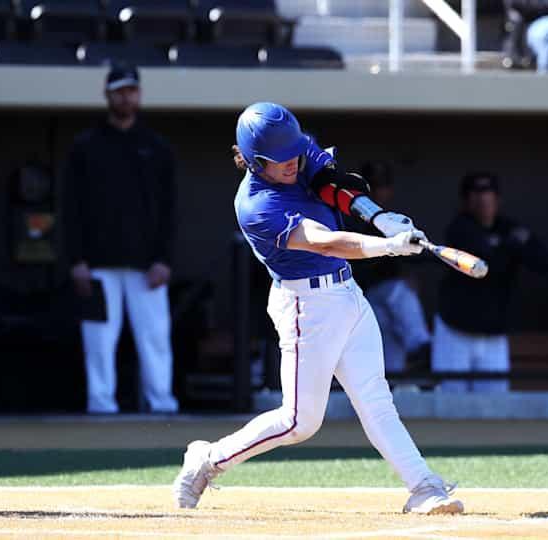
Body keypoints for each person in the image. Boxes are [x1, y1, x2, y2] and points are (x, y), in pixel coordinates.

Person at [171, 103, 464, 515]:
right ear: (256, 162)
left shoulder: (296, 151)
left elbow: (332, 184)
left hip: (347, 294)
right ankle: (207, 459)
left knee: (376, 399)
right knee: (298, 422)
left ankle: (424, 486)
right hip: (306, 307)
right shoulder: (257, 207)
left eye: (295, 152)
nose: (294, 161)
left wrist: (379, 216)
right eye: (282, 159)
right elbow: (325, 241)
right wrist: (388, 245)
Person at [62, 63, 179, 414]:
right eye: (118, 90)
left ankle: (162, 405)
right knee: (98, 340)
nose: (125, 97)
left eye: (131, 90)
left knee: (155, 337)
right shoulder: (84, 146)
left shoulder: (157, 147)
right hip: (96, 264)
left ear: (139, 94)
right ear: (107, 94)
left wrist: (164, 259)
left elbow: (171, 209)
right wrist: (76, 261)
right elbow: (70, 208)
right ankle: (101, 407)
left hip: (147, 264)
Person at [432, 173, 548, 392]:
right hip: (456, 329)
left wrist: (508, 245)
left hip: (493, 334)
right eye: (476, 196)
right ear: (465, 201)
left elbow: (543, 261)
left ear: (497, 199)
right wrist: (511, 248)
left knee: (494, 403)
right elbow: (487, 265)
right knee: (451, 402)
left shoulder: (508, 227)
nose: (483, 201)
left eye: (488, 195)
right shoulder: (459, 228)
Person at [350, 161, 432, 373]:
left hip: (381, 309)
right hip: (355, 299)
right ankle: (420, 343)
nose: (378, 192)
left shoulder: (393, 221)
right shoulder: (348, 218)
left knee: (389, 366)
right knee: (398, 291)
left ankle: (419, 349)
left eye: (382, 186)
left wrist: (405, 273)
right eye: (371, 186)